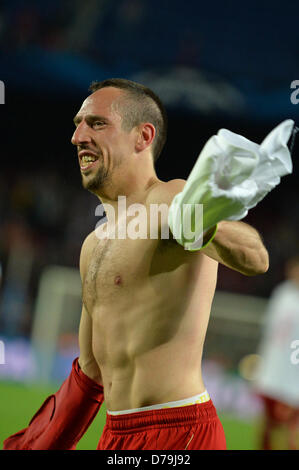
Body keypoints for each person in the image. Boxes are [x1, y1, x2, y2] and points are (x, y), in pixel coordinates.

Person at [3, 79, 294, 450]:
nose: (77, 136)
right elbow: (90, 372)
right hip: (117, 436)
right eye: (77, 123)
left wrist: (205, 228)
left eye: (96, 123)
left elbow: (257, 258)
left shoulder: (172, 198)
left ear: (143, 137)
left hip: (179, 432)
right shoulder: (93, 245)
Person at [254, 256, 299, 450]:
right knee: (268, 426)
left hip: (293, 380)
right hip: (272, 374)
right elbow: (269, 332)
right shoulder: (282, 293)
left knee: (288, 431)